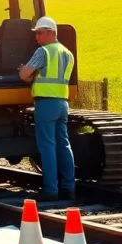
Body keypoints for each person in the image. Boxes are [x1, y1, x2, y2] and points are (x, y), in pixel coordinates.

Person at [18, 16, 76, 201]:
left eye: (40, 33)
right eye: (36, 34)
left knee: (47, 146)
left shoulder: (43, 52)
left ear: (51, 33)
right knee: (64, 145)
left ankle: (51, 190)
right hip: (62, 103)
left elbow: (25, 74)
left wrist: (24, 71)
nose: (37, 37)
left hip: (46, 104)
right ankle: (69, 187)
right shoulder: (67, 53)